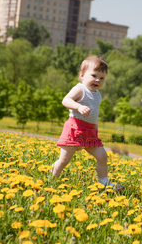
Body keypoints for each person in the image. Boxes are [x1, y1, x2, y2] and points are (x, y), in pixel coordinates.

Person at [52, 55, 124, 192]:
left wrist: (95, 130)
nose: (98, 80)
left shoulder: (97, 95)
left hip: (90, 132)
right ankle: (51, 180)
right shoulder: (80, 89)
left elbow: (94, 116)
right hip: (75, 129)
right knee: (64, 161)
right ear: (82, 75)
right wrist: (78, 107)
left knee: (102, 156)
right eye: (94, 75)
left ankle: (103, 183)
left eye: (102, 78)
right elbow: (65, 100)